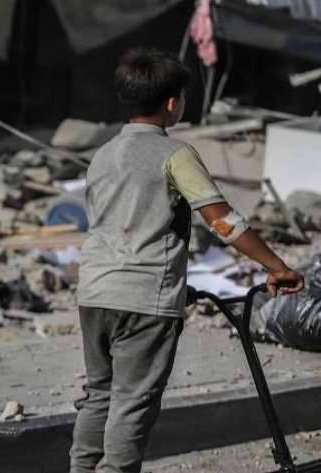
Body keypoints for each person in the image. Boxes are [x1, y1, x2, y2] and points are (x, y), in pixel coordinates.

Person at [71, 47, 304, 473]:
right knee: (133, 400)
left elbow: (123, 226)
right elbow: (222, 221)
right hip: (143, 299)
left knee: (100, 393)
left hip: (95, 292)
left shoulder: (102, 155)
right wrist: (277, 266)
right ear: (171, 102)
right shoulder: (174, 153)